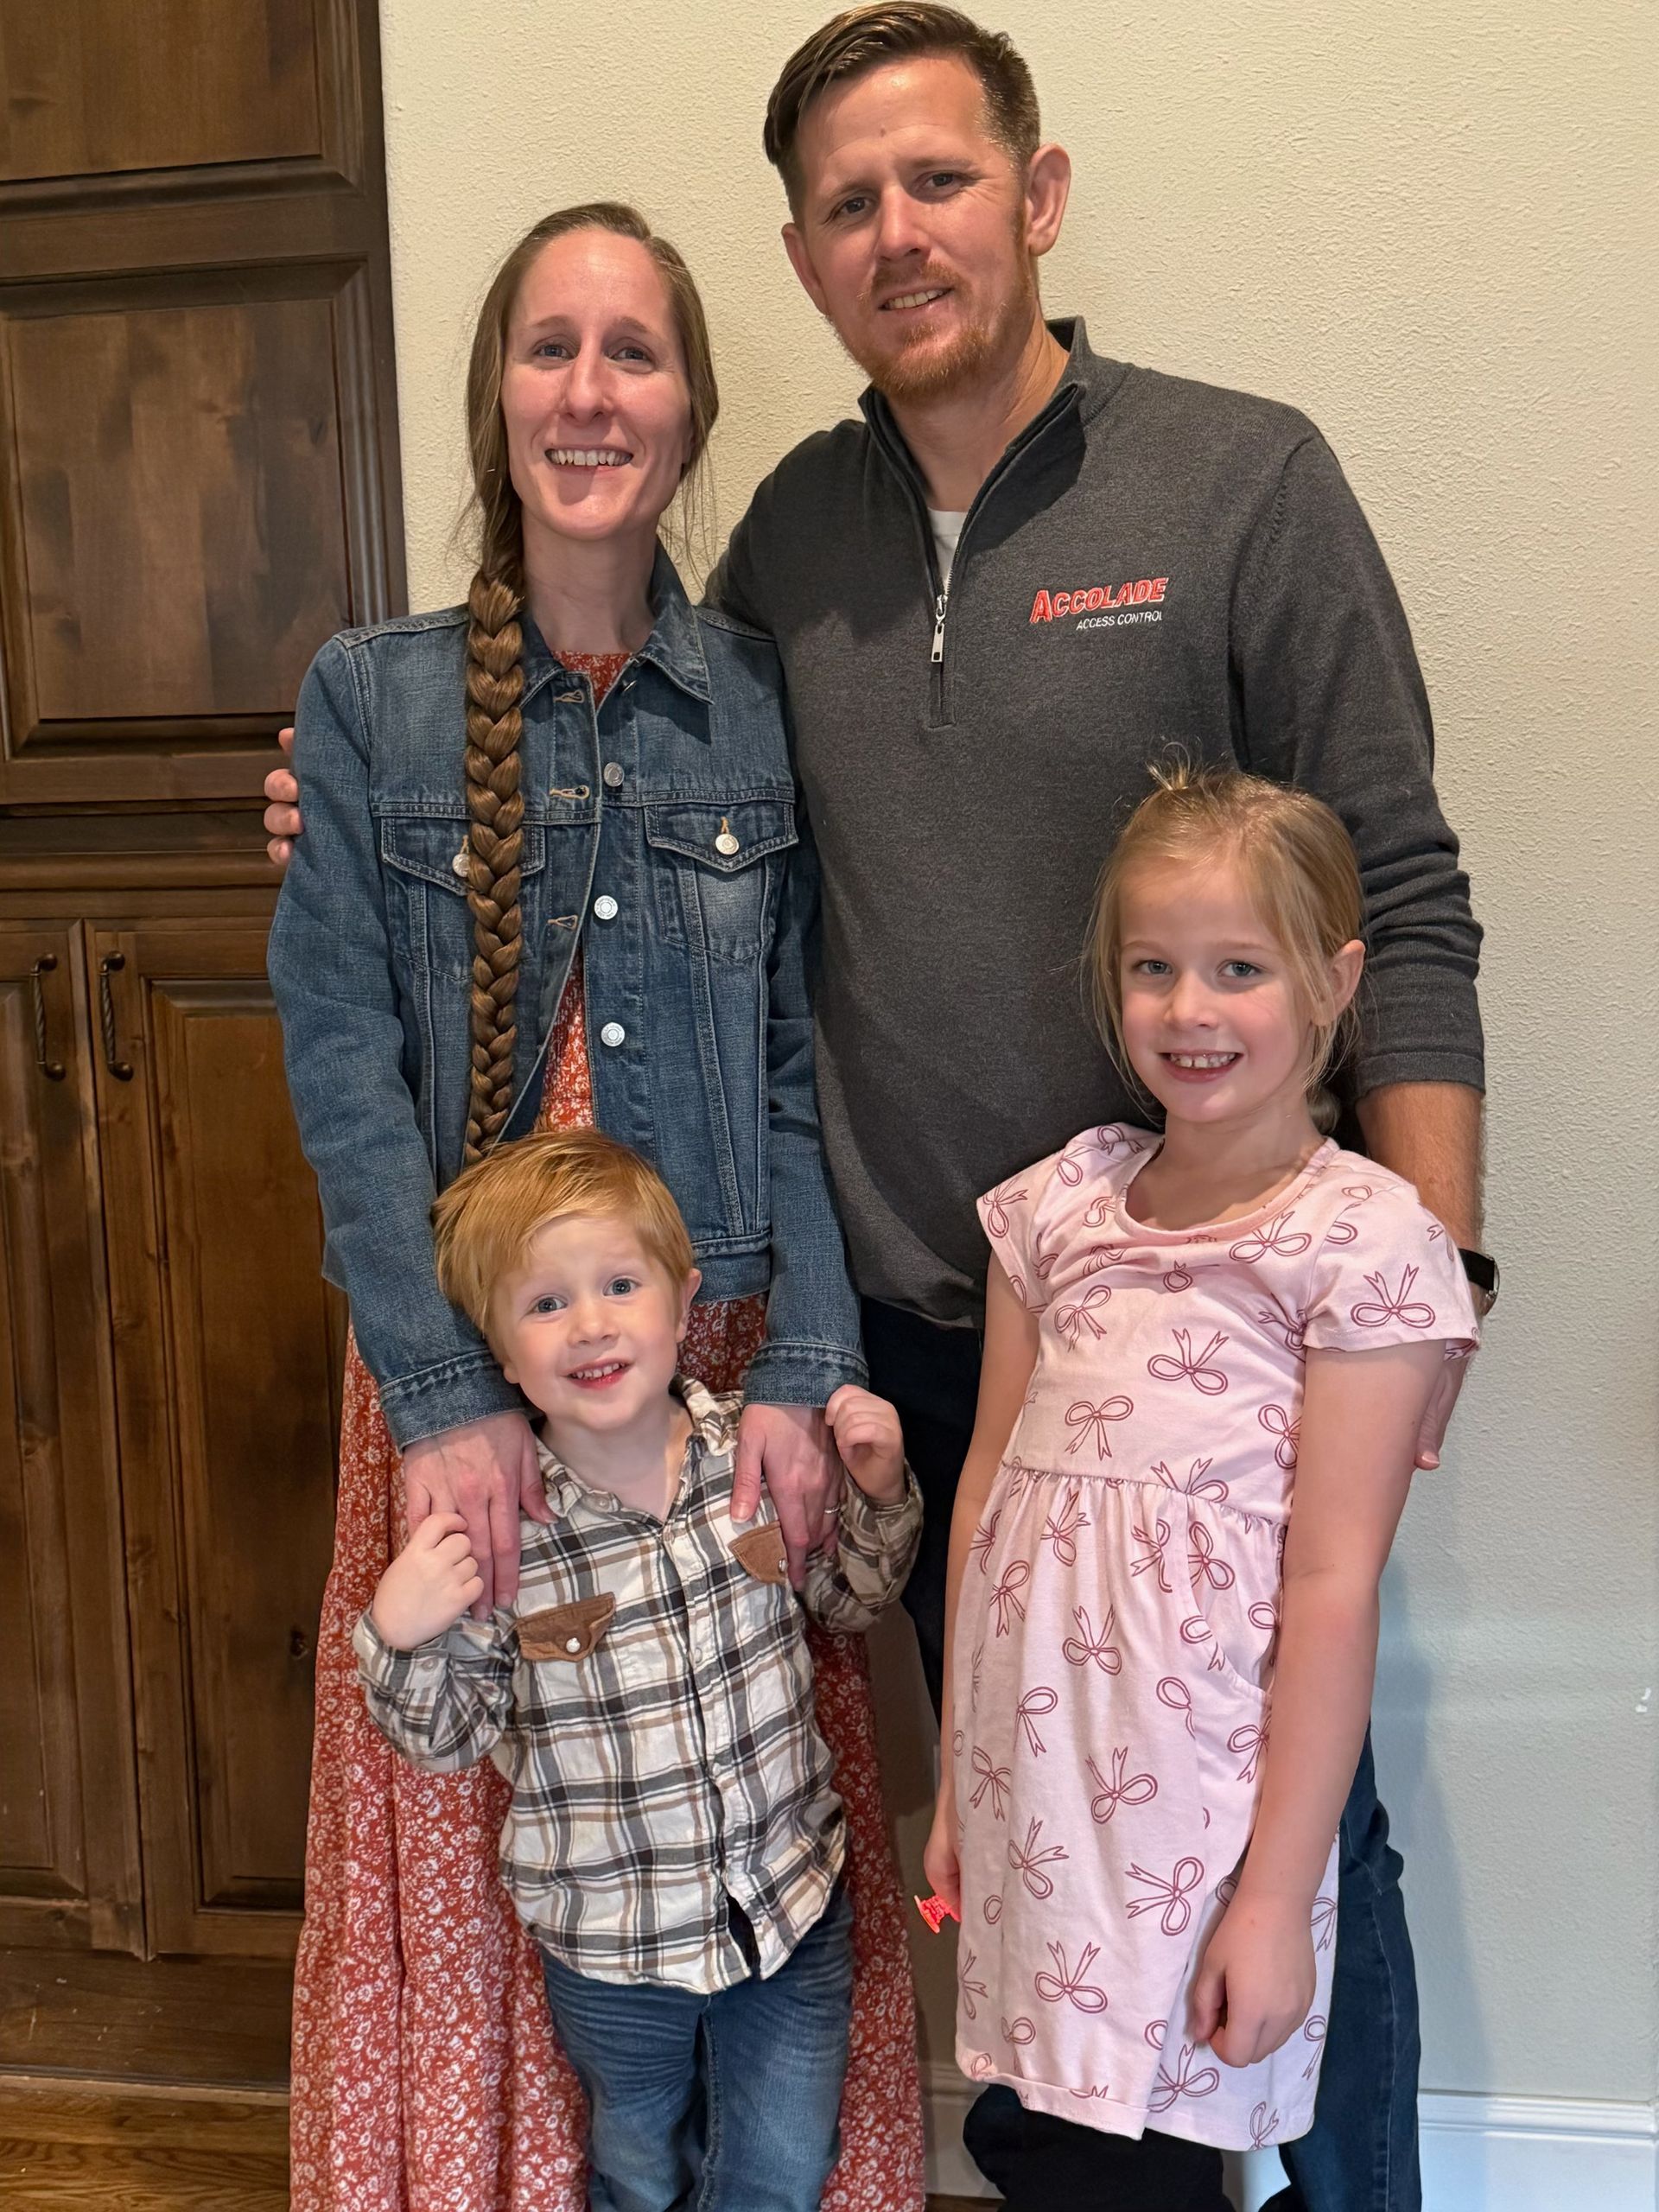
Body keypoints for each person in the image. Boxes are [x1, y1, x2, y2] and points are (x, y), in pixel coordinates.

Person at [265, 10, 1500, 2205]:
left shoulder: (1237, 479)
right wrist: (331, 809)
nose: (897, 232)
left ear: (1033, 197)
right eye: (849, 202)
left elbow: (1395, 888)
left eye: (937, 181)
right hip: (922, 1331)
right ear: (806, 258)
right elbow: (611, 810)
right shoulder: (781, 567)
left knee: (1296, 1823)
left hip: (1221, 1326)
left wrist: (1426, 1292)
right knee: (1022, 1811)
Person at [267, 202, 923, 2212]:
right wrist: (450, 1385)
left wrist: (806, 1363)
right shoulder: (371, 700)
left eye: (632, 352)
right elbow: (345, 1077)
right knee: (500, 1834)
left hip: (709, 1356)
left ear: (691, 404)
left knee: (744, 1851)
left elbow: (800, 1063)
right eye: (549, 346)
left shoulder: (746, 692)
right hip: (471, 1376)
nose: (588, 390)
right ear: (496, 392)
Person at [923, 766, 1478, 2209]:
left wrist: (1280, 1898)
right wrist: (959, 1787)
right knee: (1041, 2139)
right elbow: (990, 1492)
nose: (1190, 1010)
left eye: (1240, 970)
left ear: (1334, 981)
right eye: (1154, 969)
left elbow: (1332, 1582)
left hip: (1201, 1842)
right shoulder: (1056, 1213)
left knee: (1159, 2151)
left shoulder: (1361, 1247)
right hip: (1034, 1807)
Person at [357, 1127, 922, 2212]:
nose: (593, 1325)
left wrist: (881, 1491)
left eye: (620, 1284)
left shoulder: (748, 1467)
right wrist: (400, 1629)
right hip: (609, 1947)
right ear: (499, 1349)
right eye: (546, 1303)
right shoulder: (500, 1534)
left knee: (780, 2167)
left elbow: (849, 1601)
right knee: (637, 2166)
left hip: (790, 1908)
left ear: (683, 1296)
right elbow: (448, 1735)